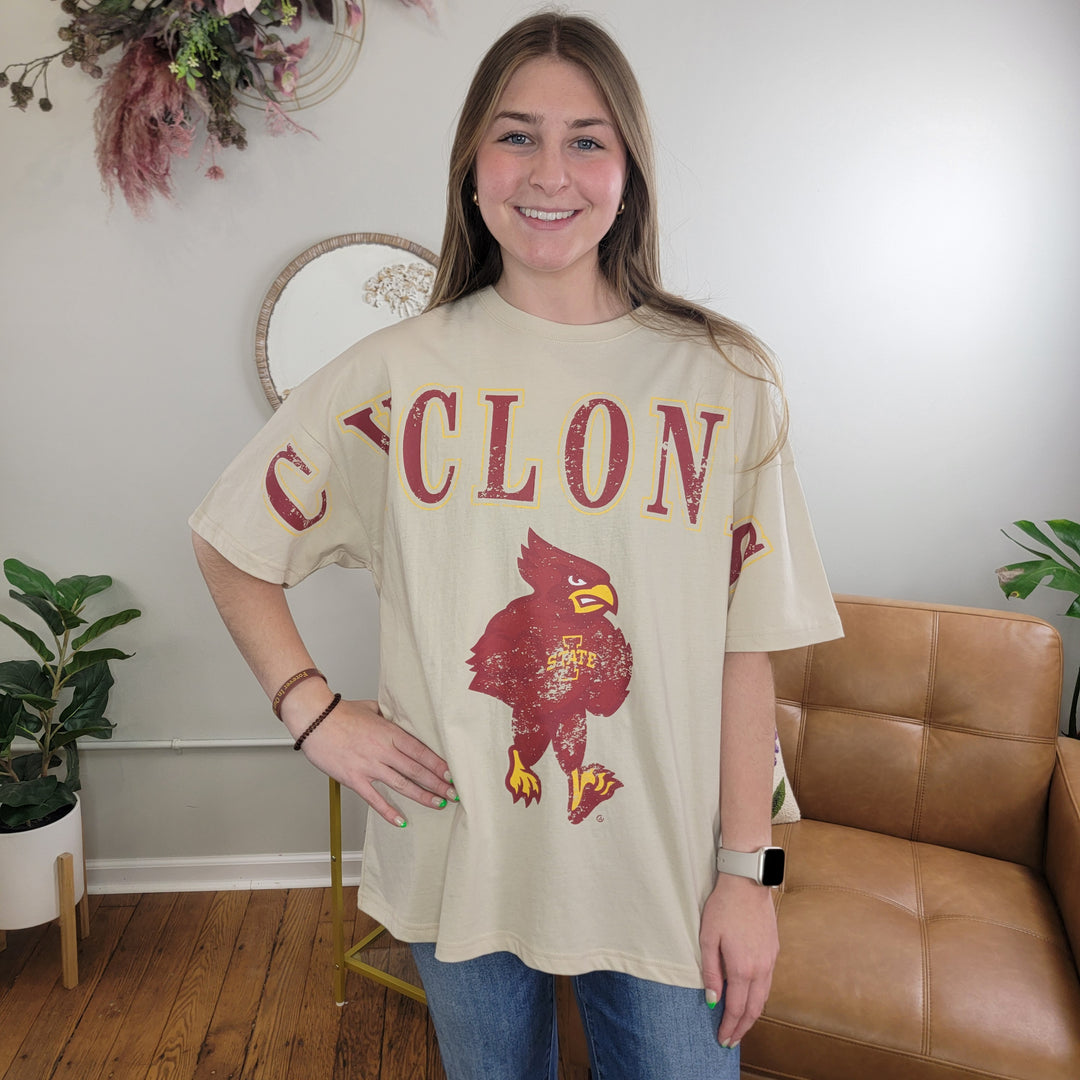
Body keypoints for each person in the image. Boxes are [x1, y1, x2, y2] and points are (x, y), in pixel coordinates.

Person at [190, 11, 843, 1079]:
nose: (550, 172)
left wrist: (750, 874)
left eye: (587, 139)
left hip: (667, 877)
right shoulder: (395, 372)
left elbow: (745, 647)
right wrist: (313, 713)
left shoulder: (725, 378)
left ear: (628, 170)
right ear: (472, 164)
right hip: (461, 860)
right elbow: (230, 542)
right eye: (516, 135)